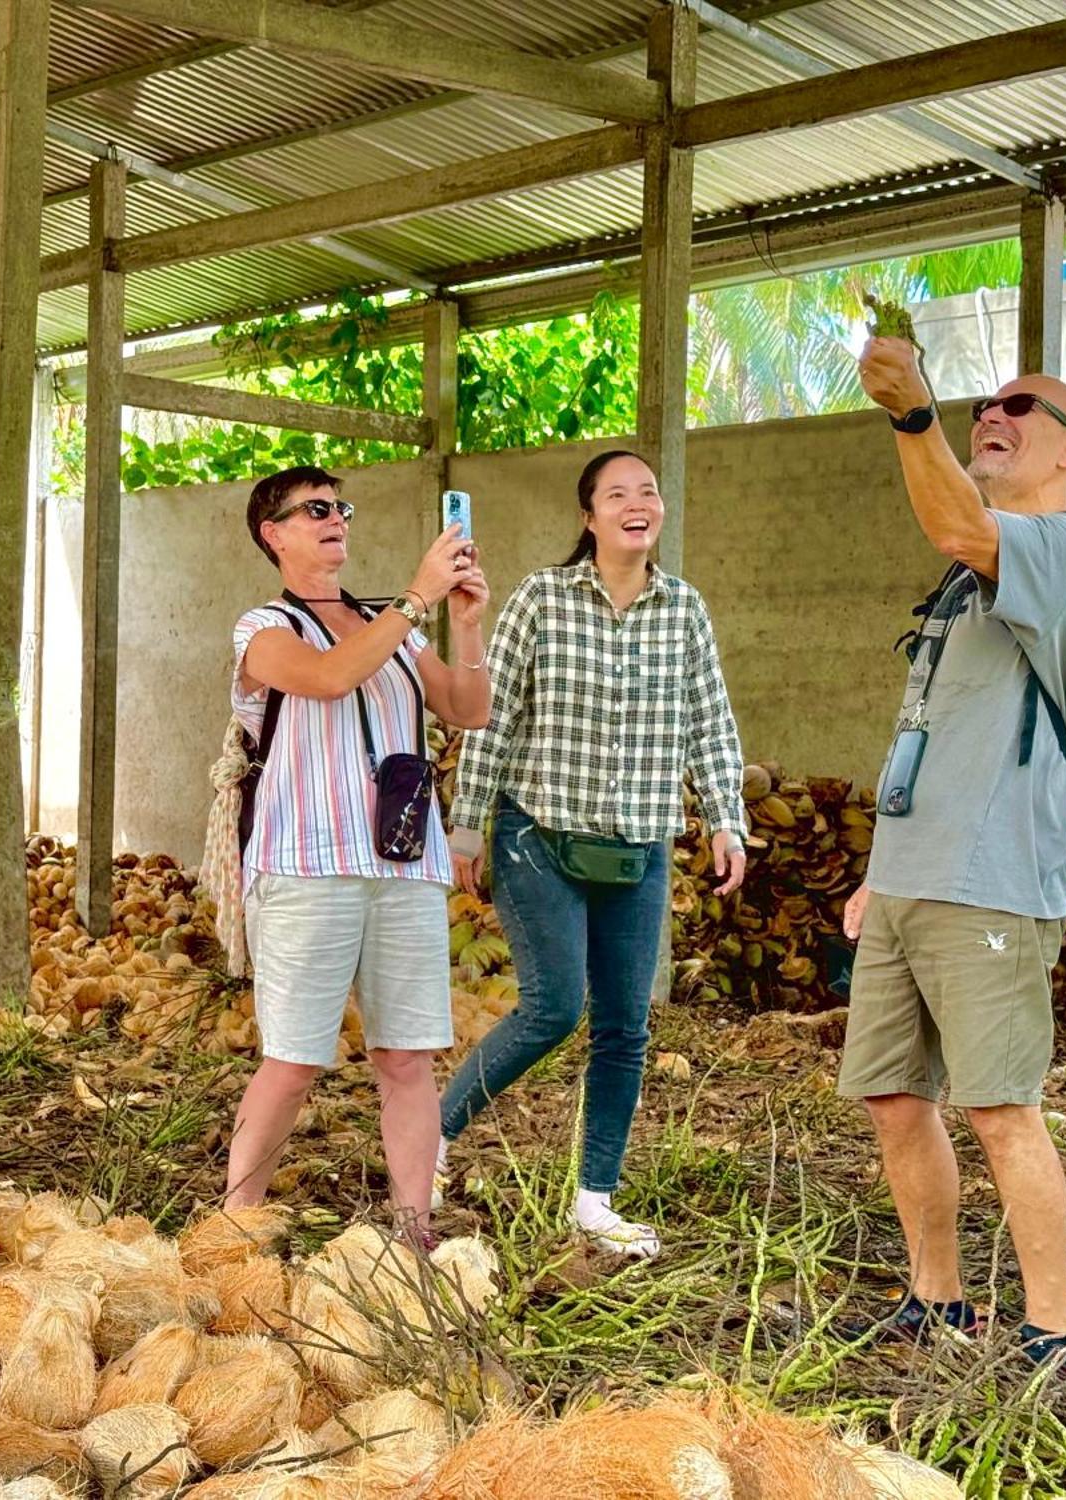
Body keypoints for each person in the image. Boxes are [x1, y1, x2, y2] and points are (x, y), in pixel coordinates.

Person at [842, 337, 1066, 1398]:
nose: (990, 414)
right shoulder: (961, 584)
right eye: (980, 405)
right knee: (895, 1098)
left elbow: (954, 513)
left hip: (991, 881)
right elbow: (923, 729)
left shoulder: (1063, 548)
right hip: (910, 878)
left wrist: (912, 418)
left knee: (999, 1108)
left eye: (1021, 407)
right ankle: (938, 1300)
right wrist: (875, 868)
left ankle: (1052, 1336)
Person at [441, 450, 747, 1261]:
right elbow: (495, 715)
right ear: (589, 517)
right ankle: (430, 1138)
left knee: (624, 1027)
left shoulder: (684, 609)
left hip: (637, 847)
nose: (637, 503)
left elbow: (709, 722)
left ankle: (596, 1199)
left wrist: (726, 819)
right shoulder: (543, 598)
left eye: (648, 491)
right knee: (553, 1009)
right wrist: (467, 824)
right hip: (536, 835)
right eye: (618, 494)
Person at [221, 465, 491, 1246]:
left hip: (401, 864)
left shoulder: (388, 623)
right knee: (295, 1059)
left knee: (407, 1059)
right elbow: (331, 678)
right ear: (273, 534)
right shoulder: (264, 628)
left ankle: (414, 1229)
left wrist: (466, 622)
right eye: (314, 509)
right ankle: (235, 1230)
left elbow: (467, 709)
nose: (335, 517)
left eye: (340, 507)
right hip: (308, 864)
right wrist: (416, 600)